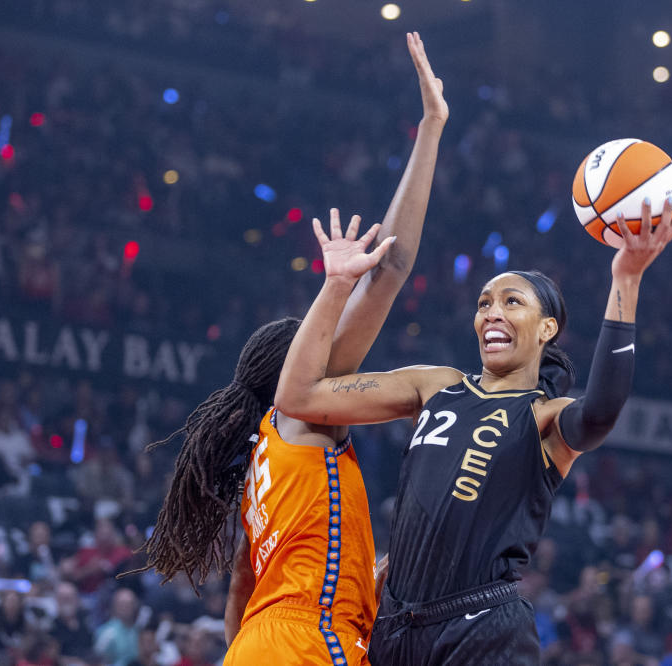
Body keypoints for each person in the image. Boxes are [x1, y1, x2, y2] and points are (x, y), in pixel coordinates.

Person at [127, 31, 448, 666]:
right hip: (309, 644)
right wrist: (432, 129)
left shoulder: (260, 463)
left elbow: (240, 595)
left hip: (259, 643)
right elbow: (391, 271)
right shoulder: (301, 413)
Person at [275, 198, 672, 664]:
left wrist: (625, 280)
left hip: (482, 626)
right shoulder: (435, 385)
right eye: (484, 302)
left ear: (547, 328)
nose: (492, 312)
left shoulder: (545, 416)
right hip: (394, 626)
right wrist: (336, 285)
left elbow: (602, 411)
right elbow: (299, 397)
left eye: (513, 302)